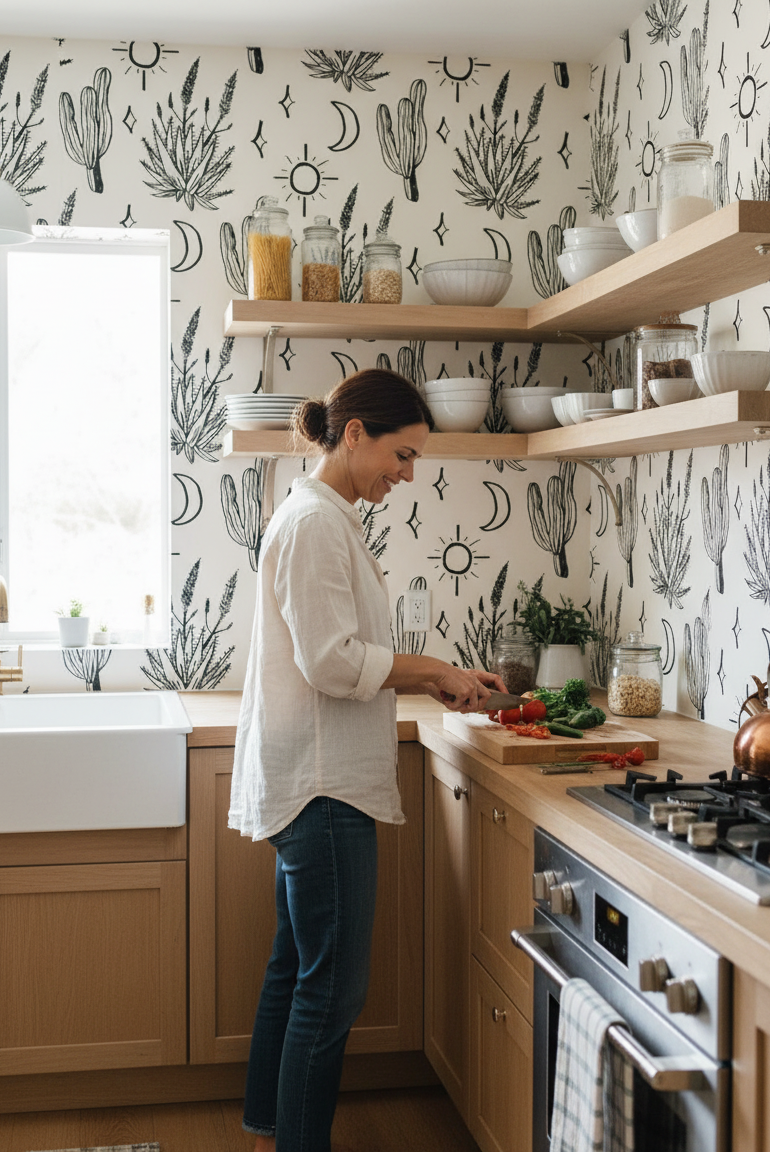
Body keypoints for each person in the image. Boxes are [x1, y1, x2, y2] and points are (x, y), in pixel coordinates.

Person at [229, 367, 506, 1152]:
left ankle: (269, 1126)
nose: (407, 476)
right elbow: (331, 661)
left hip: (309, 780)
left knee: (297, 968)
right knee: (333, 990)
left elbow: (336, 655)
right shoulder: (317, 522)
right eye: (402, 455)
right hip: (323, 790)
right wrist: (435, 671)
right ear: (355, 434)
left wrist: (437, 675)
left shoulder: (322, 514)